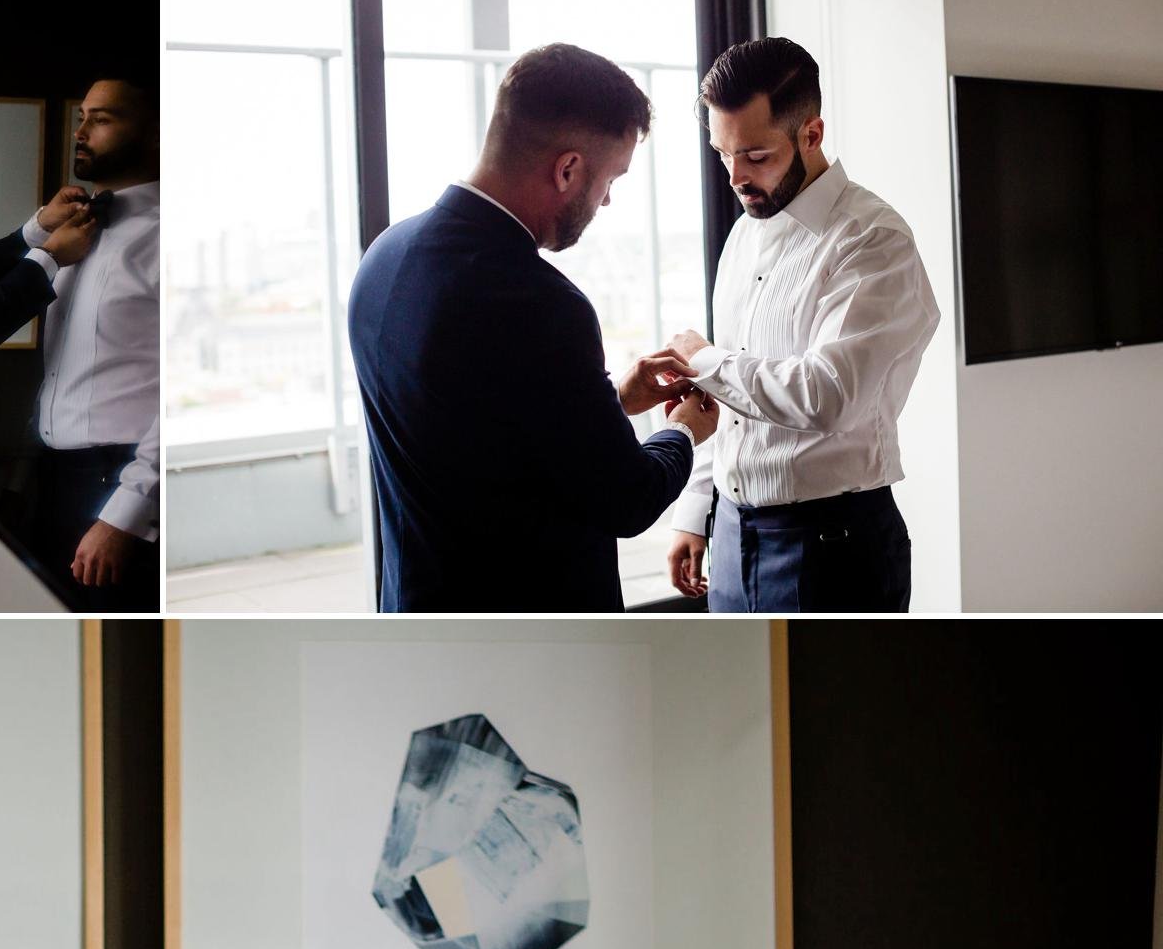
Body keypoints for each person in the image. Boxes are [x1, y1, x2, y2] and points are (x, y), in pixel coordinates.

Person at [346, 45, 694, 615]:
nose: (607, 200)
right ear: (568, 169)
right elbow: (626, 501)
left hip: (413, 603)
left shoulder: (385, 255)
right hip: (532, 624)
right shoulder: (543, 305)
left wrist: (611, 402)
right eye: (612, 178)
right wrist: (682, 430)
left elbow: (484, 428)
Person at [638, 38, 939, 622]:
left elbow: (827, 397)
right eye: (722, 153)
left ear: (812, 134)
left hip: (833, 544)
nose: (735, 176)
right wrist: (696, 508)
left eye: (755, 154)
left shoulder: (872, 241)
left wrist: (702, 360)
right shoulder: (745, 233)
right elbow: (729, 396)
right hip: (730, 531)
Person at [0, 81, 159, 610]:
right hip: (51, 482)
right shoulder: (76, 234)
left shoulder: (167, 238)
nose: (81, 130)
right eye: (82, 116)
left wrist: (127, 513)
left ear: (155, 132)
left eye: (103, 118)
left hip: (115, 487)